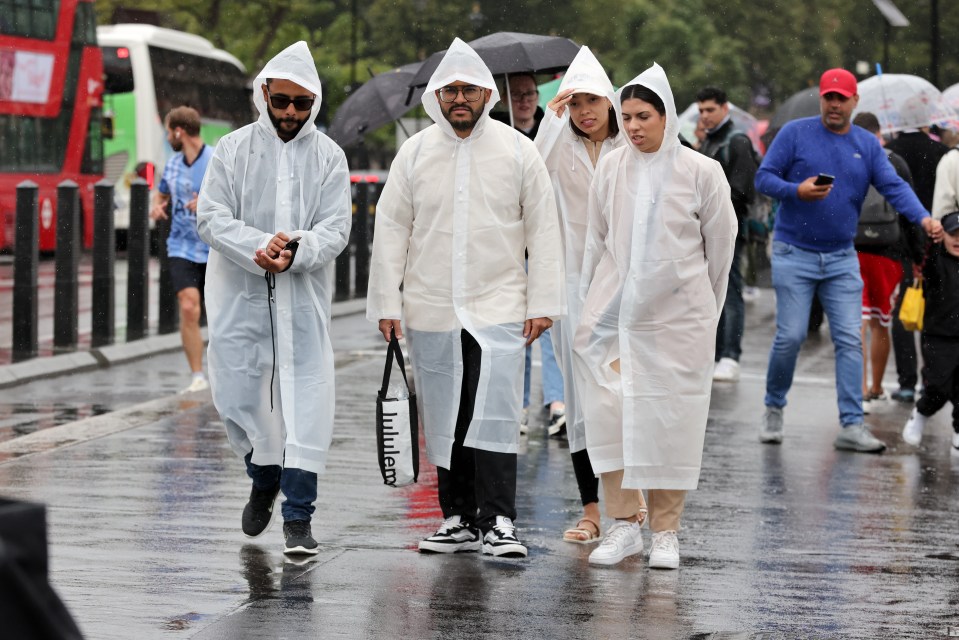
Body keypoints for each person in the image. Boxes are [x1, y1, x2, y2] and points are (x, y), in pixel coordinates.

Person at [367, 38, 563, 559]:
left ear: (485, 94)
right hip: (431, 306)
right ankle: (455, 517)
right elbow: (390, 229)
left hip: (497, 304)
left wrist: (543, 302)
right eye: (450, 90)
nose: (459, 99)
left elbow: (544, 231)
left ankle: (498, 520)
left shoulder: (519, 150)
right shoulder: (414, 152)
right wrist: (387, 303)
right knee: (446, 413)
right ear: (437, 96)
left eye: (468, 90)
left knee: (493, 410)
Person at [573, 63, 736, 568]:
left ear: (667, 116)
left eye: (644, 115)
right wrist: (590, 309)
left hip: (678, 320)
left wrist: (699, 313)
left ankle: (667, 531)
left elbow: (721, 251)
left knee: (671, 420)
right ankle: (625, 525)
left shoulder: (702, 172)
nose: (634, 126)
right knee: (612, 417)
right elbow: (596, 243)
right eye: (625, 116)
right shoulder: (611, 167)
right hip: (614, 319)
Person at [196, 42, 352, 556]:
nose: (290, 113)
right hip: (240, 301)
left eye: (301, 104)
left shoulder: (330, 157)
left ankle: (298, 518)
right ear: (264, 93)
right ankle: (263, 476)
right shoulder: (233, 150)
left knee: (307, 402)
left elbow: (336, 227)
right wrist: (257, 246)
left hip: (302, 303)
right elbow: (211, 217)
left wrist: (297, 251)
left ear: (315, 103)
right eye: (282, 101)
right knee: (241, 399)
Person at [755, 68, 943, 453]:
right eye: (829, 97)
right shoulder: (795, 134)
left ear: (856, 102)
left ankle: (852, 424)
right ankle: (774, 407)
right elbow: (764, 179)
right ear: (822, 99)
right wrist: (796, 191)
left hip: (842, 257)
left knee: (848, 340)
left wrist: (923, 218)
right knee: (790, 337)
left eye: (842, 98)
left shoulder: (866, 144)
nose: (835, 104)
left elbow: (894, 186)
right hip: (794, 253)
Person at [532, 46, 633, 545]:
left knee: (624, 402)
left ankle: (629, 513)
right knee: (579, 401)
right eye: (574, 104)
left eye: (592, 101)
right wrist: (550, 123)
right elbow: (530, 171)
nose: (584, 112)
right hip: (572, 290)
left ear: (610, 101)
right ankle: (591, 511)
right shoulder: (559, 148)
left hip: (626, 291)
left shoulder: (630, 145)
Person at [492, 72, 565, 434]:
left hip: (545, 243)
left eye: (530, 94)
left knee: (548, 323)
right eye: (517, 94)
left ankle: (557, 401)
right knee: (515, 328)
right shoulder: (496, 136)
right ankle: (517, 404)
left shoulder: (552, 129)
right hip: (510, 246)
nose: (524, 101)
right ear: (505, 99)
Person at [851, 112, 922, 414]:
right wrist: (918, 255)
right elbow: (908, 210)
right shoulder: (894, 162)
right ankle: (876, 387)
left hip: (852, 247)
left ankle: (859, 389)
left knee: (858, 321)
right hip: (889, 251)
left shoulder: (848, 158)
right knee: (881, 321)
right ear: (879, 132)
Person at [696, 87, 760, 383]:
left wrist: (711, 207)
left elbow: (743, 190)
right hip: (709, 229)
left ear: (725, 109)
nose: (705, 116)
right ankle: (718, 352)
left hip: (730, 230)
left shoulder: (737, 141)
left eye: (710, 110)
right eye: (701, 110)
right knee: (713, 292)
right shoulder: (710, 140)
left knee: (730, 291)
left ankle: (730, 355)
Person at [149, 106, 215, 394]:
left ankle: (225, 371)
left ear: (179, 131)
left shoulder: (215, 160)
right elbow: (161, 191)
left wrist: (207, 204)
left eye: (168, 131)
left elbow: (236, 200)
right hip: (181, 246)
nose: (167, 136)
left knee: (220, 314)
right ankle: (198, 375)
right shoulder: (173, 164)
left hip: (214, 248)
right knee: (189, 307)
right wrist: (157, 205)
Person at [885, 121, 949, 403]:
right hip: (940, 237)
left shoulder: (889, 153)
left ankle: (907, 381)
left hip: (899, 239)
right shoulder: (942, 152)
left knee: (904, 310)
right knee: (935, 312)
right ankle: (931, 379)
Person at [901, 210, 959, 453]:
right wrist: (931, 239)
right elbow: (925, 258)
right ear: (942, 236)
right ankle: (921, 413)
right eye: (953, 234)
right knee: (938, 385)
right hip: (938, 335)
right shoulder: (936, 261)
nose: (958, 240)